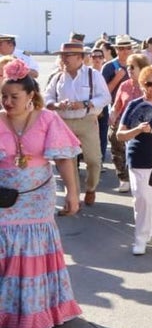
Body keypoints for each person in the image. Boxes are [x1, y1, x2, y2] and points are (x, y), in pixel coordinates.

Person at [0, 59, 83, 328]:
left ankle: (35, 313)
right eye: (4, 96)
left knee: (32, 248)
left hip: (38, 198)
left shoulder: (49, 119)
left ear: (30, 96)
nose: (8, 102)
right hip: (4, 198)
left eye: (14, 97)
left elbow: (64, 160)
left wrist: (73, 193)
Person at [42, 41, 112, 206]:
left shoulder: (93, 74)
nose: (64, 59)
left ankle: (91, 188)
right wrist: (57, 105)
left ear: (80, 58)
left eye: (68, 55)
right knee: (68, 161)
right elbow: (46, 98)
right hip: (63, 122)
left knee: (94, 160)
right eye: (62, 56)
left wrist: (86, 104)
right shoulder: (57, 76)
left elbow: (106, 98)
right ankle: (73, 196)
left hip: (86, 121)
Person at [117, 66, 152, 256]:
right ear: (142, 85)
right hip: (139, 158)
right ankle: (140, 238)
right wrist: (138, 130)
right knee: (144, 199)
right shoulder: (135, 105)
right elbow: (120, 135)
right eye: (149, 83)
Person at [110, 53, 151, 194]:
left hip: (144, 126)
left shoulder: (150, 86)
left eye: (133, 67)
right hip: (125, 123)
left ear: (142, 68)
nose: (129, 69)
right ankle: (124, 178)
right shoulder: (124, 85)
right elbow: (116, 106)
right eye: (128, 66)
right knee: (115, 140)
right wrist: (113, 117)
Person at [102, 35, 136, 193]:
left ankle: (136, 175)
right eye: (121, 48)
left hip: (139, 113)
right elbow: (104, 92)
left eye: (128, 47)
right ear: (116, 50)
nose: (125, 51)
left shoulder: (138, 64)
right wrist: (117, 78)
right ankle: (123, 177)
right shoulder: (109, 67)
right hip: (118, 110)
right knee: (116, 143)